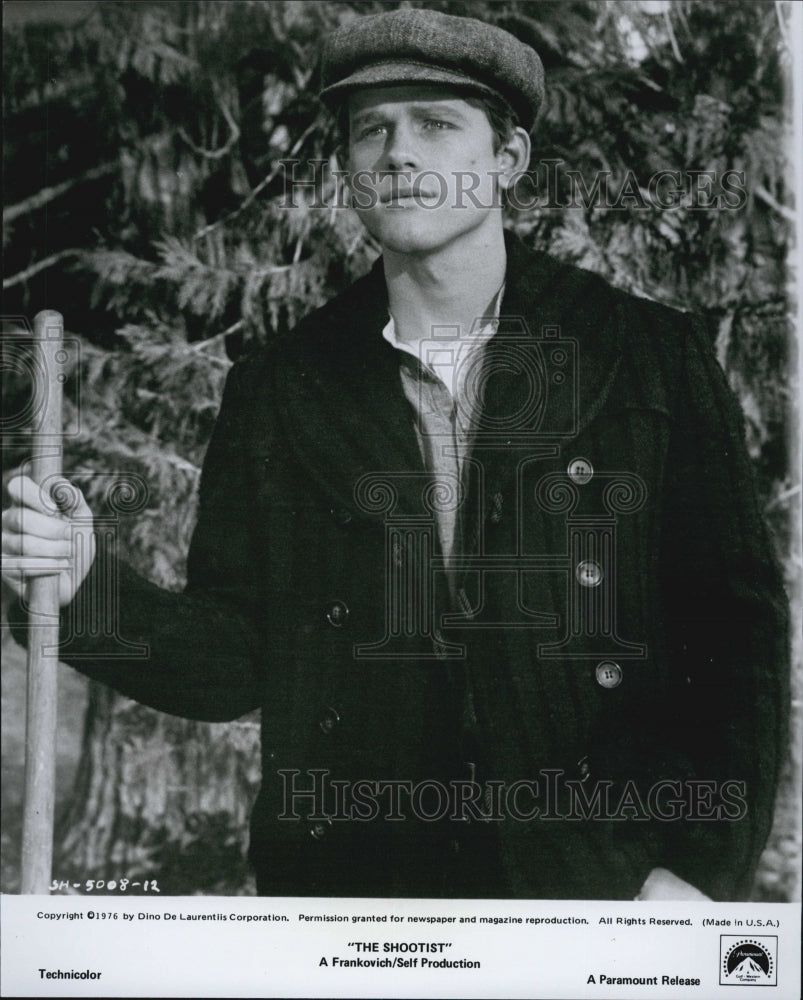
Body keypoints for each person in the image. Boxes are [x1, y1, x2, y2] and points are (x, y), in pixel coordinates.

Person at [2, 8, 789, 900]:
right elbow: (237, 654)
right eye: (371, 129)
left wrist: (692, 871)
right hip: (352, 897)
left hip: (595, 890)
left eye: (437, 123)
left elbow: (732, 634)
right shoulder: (281, 384)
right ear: (345, 168)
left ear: (509, 160)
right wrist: (85, 588)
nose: (399, 154)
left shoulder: (646, 356)